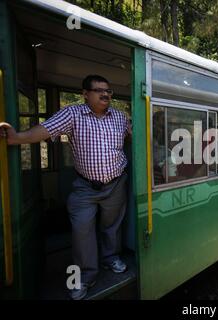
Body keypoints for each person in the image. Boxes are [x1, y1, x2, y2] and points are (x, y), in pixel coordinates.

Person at [0, 75, 131, 300]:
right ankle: (84, 278)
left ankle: (110, 258)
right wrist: (16, 138)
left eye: (108, 91)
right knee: (82, 233)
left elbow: (132, 136)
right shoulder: (72, 114)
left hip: (116, 183)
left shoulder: (119, 117)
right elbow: (45, 130)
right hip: (84, 188)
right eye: (98, 90)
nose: (105, 94)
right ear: (85, 94)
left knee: (112, 227)